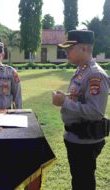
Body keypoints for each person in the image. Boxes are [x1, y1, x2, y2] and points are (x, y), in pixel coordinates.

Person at [52, 30, 110, 190]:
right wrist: (67, 97)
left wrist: (64, 102)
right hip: (76, 137)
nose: (66, 52)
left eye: (70, 49)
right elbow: (79, 97)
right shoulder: (81, 70)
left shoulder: (94, 75)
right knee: (78, 180)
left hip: (85, 140)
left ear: (84, 49)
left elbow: (96, 111)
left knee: (83, 182)